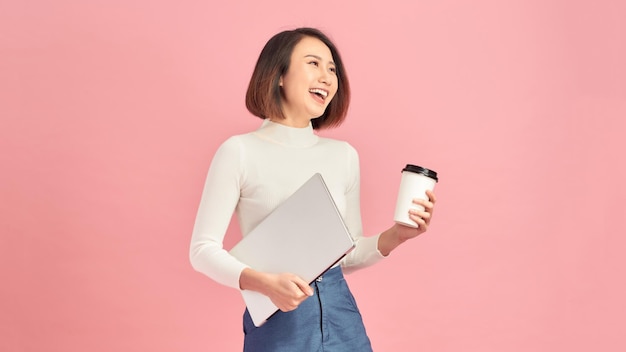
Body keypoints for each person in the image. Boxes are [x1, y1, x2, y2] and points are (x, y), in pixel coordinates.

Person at [190, 27, 436, 351]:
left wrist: (398, 235)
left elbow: (346, 254)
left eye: (332, 69)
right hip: (280, 319)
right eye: (313, 64)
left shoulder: (343, 156)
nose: (327, 77)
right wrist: (264, 283)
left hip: (342, 318)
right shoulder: (239, 152)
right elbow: (202, 250)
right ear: (279, 74)